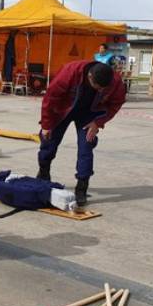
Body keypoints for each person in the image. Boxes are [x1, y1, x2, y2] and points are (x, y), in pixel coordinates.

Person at [37, 61, 126, 206]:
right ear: (89, 76)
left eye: (103, 88)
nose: (100, 90)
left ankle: (82, 187)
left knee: (86, 146)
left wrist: (98, 122)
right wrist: (46, 125)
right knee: (49, 141)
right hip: (63, 110)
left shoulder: (115, 81)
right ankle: (43, 173)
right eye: (97, 87)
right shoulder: (70, 72)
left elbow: (116, 103)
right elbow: (50, 98)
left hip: (89, 114)